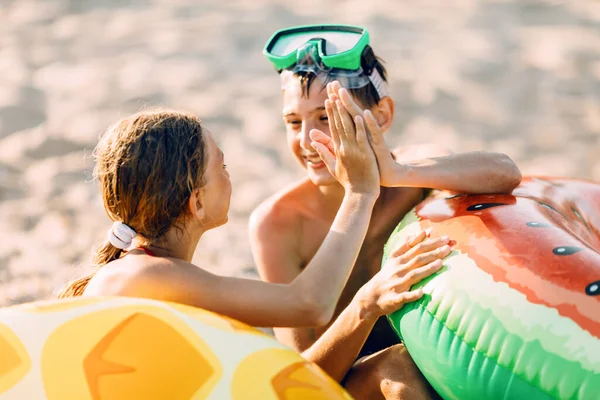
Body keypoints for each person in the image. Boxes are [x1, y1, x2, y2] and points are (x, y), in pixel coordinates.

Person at [56, 108, 448, 389]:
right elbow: (309, 303)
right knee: (399, 371)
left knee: (395, 369)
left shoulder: (141, 270)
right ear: (197, 203)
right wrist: (361, 193)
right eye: (221, 169)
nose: (230, 178)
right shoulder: (152, 278)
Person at [251, 24, 523, 399]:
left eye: (327, 117)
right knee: (398, 368)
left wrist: (398, 174)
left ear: (381, 116)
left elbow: (506, 173)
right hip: (341, 381)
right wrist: (368, 301)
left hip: (431, 351)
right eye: (294, 122)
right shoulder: (279, 224)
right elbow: (302, 377)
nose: (307, 139)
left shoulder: (411, 177)